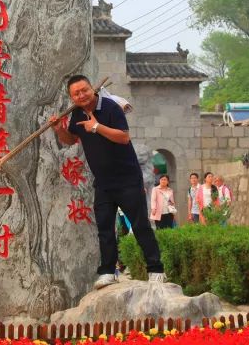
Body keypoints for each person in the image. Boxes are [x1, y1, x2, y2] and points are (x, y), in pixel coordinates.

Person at [52, 75, 166, 288]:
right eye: (76, 93)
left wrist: (96, 127)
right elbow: (71, 139)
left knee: (140, 225)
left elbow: (123, 137)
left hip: (127, 179)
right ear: (71, 97)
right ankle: (108, 271)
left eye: (84, 90)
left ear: (91, 89)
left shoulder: (111, 107)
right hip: (103, 183)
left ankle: (156, 269)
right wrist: (59, 129)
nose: (81, 95)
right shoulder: (76, 113)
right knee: (105, 228)